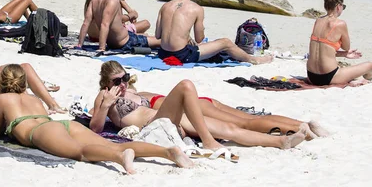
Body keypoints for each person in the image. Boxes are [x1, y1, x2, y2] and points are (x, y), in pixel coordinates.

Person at [0, 64, 192, 174]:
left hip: (41, 132)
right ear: (24, 82)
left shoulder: (3, 99)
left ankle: (120, 158)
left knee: (80, 152)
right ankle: (168, 152)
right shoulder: (34, 98)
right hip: (62, 125)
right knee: (109, 144)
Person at [90, 61, 305, 156]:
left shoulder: (132, 91)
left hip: (169, 120)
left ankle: (280, 142)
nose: (123, 84)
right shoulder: (105, 96)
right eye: (117, 81)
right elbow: (96, 128)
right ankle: (208, 141)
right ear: (106, 83)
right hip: (152, 127)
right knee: (185, 85)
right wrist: (105, 106)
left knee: (229, 129)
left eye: (125, 78)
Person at [128, 73, 326, 138]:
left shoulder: (134, 99)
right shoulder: (143, 93)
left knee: (247, 124)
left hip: (196, 105)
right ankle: (303, 123)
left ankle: (300, 128)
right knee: (251, 119)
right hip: (204, 101)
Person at [156, 0, 273, 65]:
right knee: (225, 43)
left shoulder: (165, 6)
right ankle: (253, 60)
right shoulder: (196, 8)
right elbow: (199, 39)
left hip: (163, 53)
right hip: (181, 55)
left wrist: (185, 37)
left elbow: (158, 35)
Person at [306, 0, 372, 86]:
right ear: (338, 7)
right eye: (343, 7)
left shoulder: (318, 21)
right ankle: (371, 75)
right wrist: (345, 51)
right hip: (328, 77)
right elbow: (346, 47)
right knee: (370, 65)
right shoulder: (340, 24)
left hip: (311, 76)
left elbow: (323, 50)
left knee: (342, 69)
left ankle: (355, 77)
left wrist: (344, 54)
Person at [78, 0, 159, 51]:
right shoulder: (114, 1)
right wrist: (102, 48)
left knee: (148, 37)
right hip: (127, 42)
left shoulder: (94, 1)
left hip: (123, 39)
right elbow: (105, 24)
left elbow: (86, 23)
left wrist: (79, 44)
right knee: (162, 42)